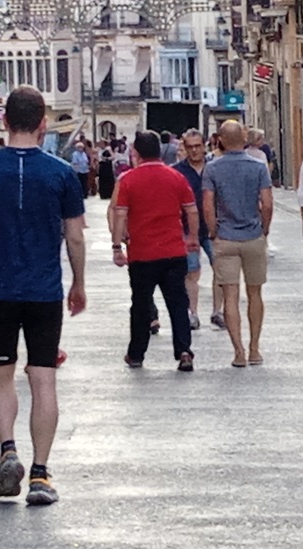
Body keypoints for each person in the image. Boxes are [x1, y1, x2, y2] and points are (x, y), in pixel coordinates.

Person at [0, 85, 86, 506]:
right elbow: (75, 237)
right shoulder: (61, 173)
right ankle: (41, 476)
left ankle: (8, 449)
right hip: (44, 291)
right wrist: (78, 283)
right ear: (44, 124)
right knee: (44, 379)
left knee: (0, 374)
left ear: (4, 122)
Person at [112, 130, 199, 372]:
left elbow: (120, 214)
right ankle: (184, 351)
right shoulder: (176, 177)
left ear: (137, 153)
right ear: (160, 151)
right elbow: (191, 209)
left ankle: (136, 353)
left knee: (140, 305)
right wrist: (192, 237)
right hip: (173, 250)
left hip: (142, 254)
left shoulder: (128, 180)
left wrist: (117, 246)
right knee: (178, 304)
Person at [203, 121, 273, 367]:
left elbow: (208, 206)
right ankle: (255, 348)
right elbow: (267, 203)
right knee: (255, 293)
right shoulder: (258, 167)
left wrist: (213, 231)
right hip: (252, 235)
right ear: (243, 138)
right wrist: (264, 228)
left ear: (220, 139)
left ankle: (238, 351)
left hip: (226, 237)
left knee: (230, 295)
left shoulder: (212, 169)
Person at [173, 129, 226, 331]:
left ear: (204, 146)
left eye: (198, 146)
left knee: (220, 270)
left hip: (215, 227)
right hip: (187, 229)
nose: (195, 150)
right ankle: (192, 313)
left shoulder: (215, 169)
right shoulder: (177, 171)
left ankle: (217, 311)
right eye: (190, 147)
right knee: (191, 272)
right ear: (185, 149)